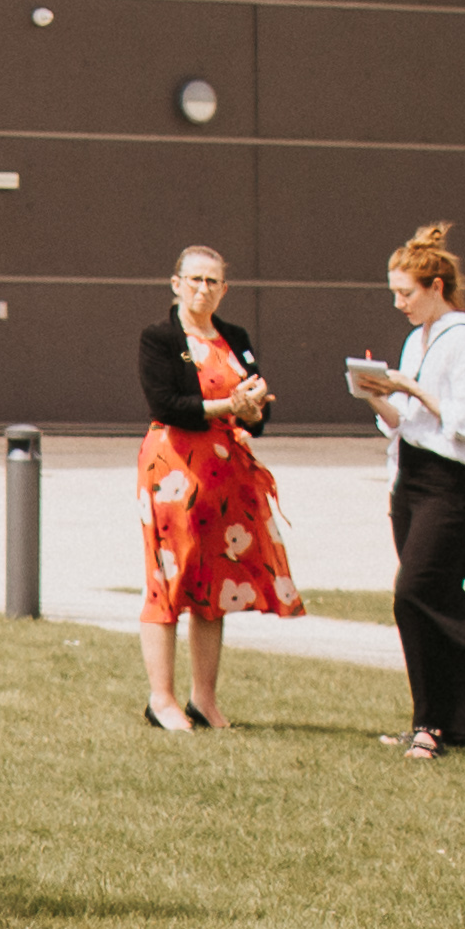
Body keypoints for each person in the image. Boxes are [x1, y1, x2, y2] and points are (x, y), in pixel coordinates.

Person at [347, 219, 465, 756]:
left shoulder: (464, 342)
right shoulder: (415, 338)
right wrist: (376, 393)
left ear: (435, 288)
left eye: (406, 293)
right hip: (412, 479)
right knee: (427, 598)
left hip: (449, 483)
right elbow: (402, 422)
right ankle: (438, 721)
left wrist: (411, 386)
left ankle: (456, 713)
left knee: (415, 592)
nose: (399, 303)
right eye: (394, 293)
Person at [133, 241, 299, 729]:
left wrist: (254, 405)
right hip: (173, 470)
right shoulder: (159, 337)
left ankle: (203, 698)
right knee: (169, 577)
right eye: (195, 280)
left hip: (226, 471)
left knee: (215, 583)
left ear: (224, 289)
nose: (203, 289)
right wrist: (229, 407)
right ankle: (160, 698)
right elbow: (166, 403)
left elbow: (255, 404)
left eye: (213, 281)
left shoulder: (235, 336)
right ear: (176, 284)